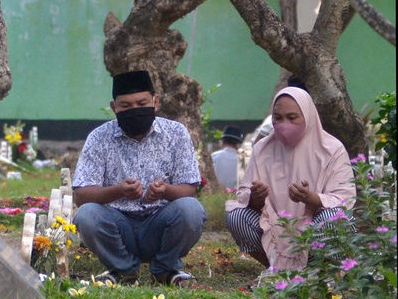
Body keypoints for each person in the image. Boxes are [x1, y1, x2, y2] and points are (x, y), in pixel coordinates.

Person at [72, 70, 206, 286]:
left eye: (141, 103)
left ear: (155, 102)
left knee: (191, 209)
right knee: (87, 215)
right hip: (117, 226)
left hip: (161, 224)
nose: (134, 110)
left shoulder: (176, 133)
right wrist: (118, 190)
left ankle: (165, 269)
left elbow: (189, 189)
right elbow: (81, 196)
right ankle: (123, 270)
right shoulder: (99, 137)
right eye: (125, 106)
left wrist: (165, 191)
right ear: (114, 108)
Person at [225, 87, 355, 272]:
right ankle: (278, 271)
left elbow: (345, 199)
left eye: (292, 117)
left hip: (313, 227)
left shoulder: (332, 149)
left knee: (334, 219)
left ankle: (317, 273)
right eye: (278, 118)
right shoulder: (263, 148)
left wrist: (310, 198)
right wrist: (256, 197)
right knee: (237, 216)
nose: (284, 124)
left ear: (308, 116)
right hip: (275, 227)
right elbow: (244, 194)